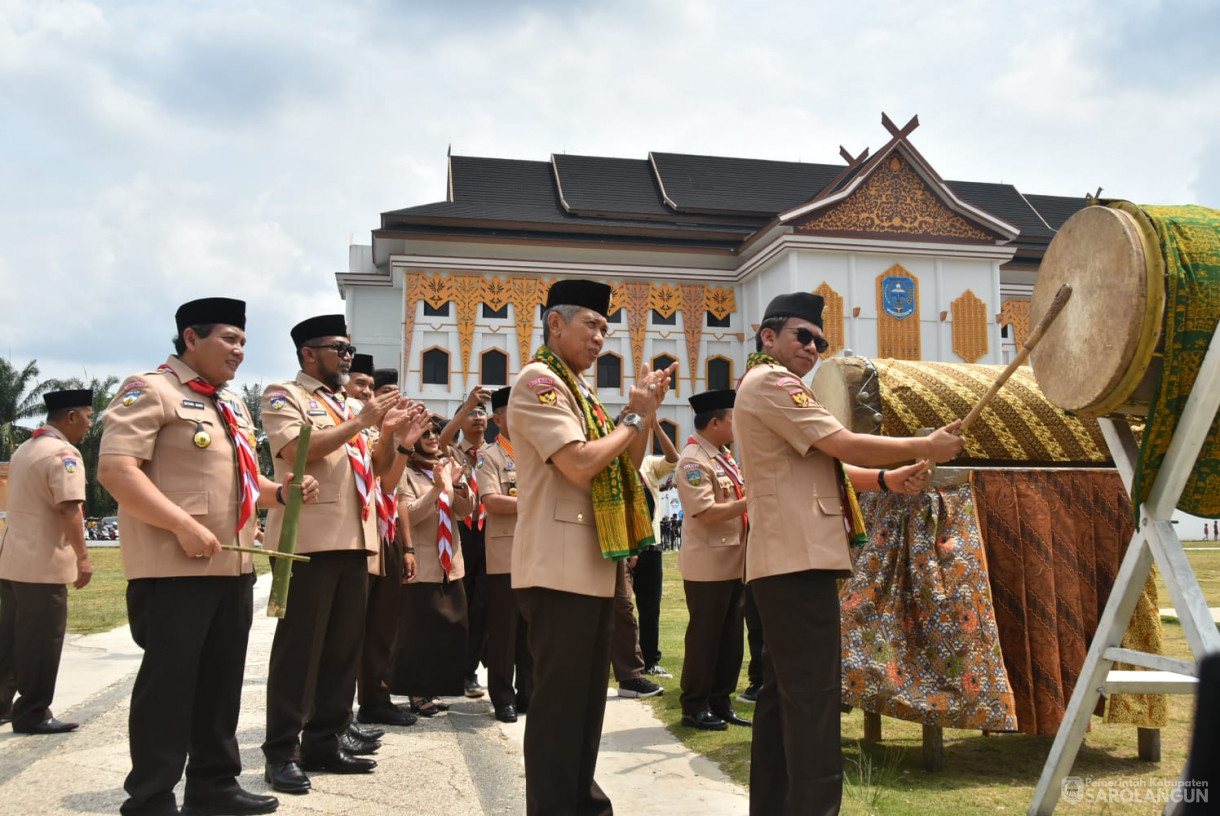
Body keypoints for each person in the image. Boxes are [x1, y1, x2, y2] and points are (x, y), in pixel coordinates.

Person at [734, 291, 964, 816]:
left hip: (787, 558)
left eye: (821, 341)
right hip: (796, 560)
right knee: (812, 697)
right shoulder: (773, 382)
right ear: (768, 337)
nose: (813, 347)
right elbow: (846, 444)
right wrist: (924, 445)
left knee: (783, 697)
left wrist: (887, 479)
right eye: (802, 335)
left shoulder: (774, 388)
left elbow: (831, 466)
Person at [98, 297, 322, 816]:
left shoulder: (231, 404)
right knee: (169, 688)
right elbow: (115, 470)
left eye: (243, 341)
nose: (239, 350)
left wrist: (280, 493)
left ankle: (213, 786)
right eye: (229, 338)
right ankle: (151, 797)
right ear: (191, 338)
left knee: (221, 684)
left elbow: (244, 482)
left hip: (232, 566)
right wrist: (180, 523)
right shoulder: (149, 390)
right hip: (174, 570)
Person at [509, 278, 675, 816]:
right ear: (555, 324)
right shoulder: (539, 381)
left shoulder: (580, 391)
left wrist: (643, 416)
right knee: (559, 710)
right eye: (592, 325)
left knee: (584, 709)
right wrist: (632, 415)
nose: (601, 338)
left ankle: (580, 800)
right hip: (558, 570)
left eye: (606, 328)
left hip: (591, 566)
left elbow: (624, 465)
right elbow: (580, 463)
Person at [260, 314, 409, 795]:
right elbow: (293, 450)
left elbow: (380, 471)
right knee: (300, 651)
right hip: (310, 541)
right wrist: (362, 422)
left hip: (356, 539)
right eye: (337, 348)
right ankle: (281, 751)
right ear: (308, 353)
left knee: (344, 648)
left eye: (349, 348)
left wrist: (391, 436)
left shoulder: (346, 404)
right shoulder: (285, 396)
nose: (347, 356)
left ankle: (325, 739)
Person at [0, 388, 94, 735]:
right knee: (42, 641)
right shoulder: (62, 454)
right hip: (43, 564)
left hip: (13, 560)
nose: (88, 426)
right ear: (71, 417)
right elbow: (68, 507)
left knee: (10, 637)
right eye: (87, 417)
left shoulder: (25, 449)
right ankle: (33, 712)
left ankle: (3, 704)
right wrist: (83, 558)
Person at [674, 388, 750, 732]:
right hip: (709, 564)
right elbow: (704, 512)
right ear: (715, 422)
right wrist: (751, 503)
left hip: (734, 560)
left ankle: (721, 700)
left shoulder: (722, 455)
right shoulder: (693, 460)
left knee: (731, 638)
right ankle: (694, 706)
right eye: (732, 418)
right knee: (706, 637)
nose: (737, 424)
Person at [357, 365, 428, 728]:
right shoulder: (354, 429)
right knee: (350, 627)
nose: (377, 398)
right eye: (369, 389)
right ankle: (335, 712)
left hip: (385, 534)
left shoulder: (381, 434)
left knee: (384, 624)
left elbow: (391, 489)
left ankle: (375, 696)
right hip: (356, 534)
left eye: (382, 392)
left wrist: (408, 548)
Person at [390, 415, 475, 715]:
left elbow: (466, 512)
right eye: (425, 433)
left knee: (448, 629)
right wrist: (438, 489)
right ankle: (417, 693)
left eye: (436, 432)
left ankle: (435, 689)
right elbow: (408, 514)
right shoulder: (407, 472)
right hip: (424, 561)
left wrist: (459, 488)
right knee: (419, 632)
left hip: (451, 561)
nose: (432, 436)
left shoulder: (447, 465)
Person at [480, 386, 533, 723]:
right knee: (503, 632)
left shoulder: (535, 453)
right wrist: (531, 504)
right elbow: (491, 500)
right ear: (498, 419)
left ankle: (529, 693)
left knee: (531, 630)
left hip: (534, 553)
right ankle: (503, 698)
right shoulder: (490, 455)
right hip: (503, 555)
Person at [437, 388, 492, 700]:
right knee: (460, 601)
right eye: (472, 412)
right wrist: (464, 408)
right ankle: (458, 668)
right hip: (461, 532)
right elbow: (443, 438)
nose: (479, 417)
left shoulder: (498, 453)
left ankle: (471, 668)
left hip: (489, 532)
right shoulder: (454, 453)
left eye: (482, 412)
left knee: (483, 602)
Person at [634, 419, 680, 678]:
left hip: (650, 546)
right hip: (622, 547)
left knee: (650, 608)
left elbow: (674, 459)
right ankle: (620, 661)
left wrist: (657, 428)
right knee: (619, 610)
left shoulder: (649, 463)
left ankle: (650, 661)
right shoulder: (614, 459)